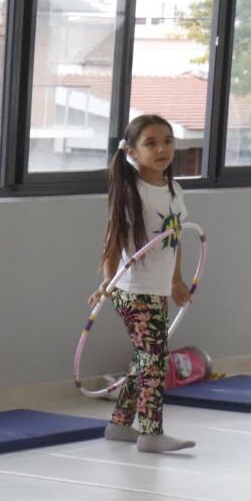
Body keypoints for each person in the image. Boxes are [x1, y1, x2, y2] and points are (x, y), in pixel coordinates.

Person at [89, 114, 195, 453]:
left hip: (158, 289)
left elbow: (173, 240)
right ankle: (150, 433)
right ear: (133, 152)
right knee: (155, 358)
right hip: (133, 290)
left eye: (167, 140)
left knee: (146, 357)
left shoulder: (174, 191)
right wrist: (107, 280)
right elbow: (113, 239)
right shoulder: (133, 192)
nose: (162, 148)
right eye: (151, 143)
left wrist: (177, 281)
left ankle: (120, 425)